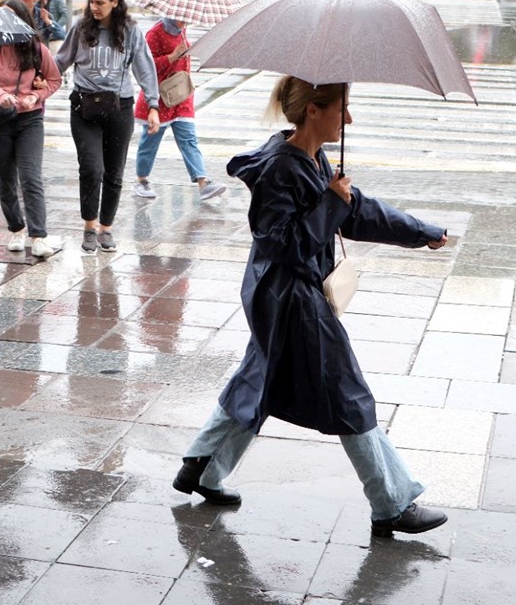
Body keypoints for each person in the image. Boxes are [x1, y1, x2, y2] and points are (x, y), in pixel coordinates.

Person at [173, 77, 451, 538]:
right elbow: (282, 244)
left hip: (284, 294)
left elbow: (359, 212)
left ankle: (202, 467)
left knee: (259, 378)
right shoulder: (281, 169)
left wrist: (420, 231)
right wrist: (330, 202)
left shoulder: (314, 160)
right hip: (289, 297)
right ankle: (392, 503)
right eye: (343, 108)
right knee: (349, 395)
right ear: (314, 112)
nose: (349, 118)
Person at [55, 0, 160, 254]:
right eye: (91, 2)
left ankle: (106, 228)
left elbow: (145, 68)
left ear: (115, 2)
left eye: (100, 2)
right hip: (84, 107)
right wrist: (42, 79)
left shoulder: (130, 31)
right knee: (91, 168)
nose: (95, 7)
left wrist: (153, 105)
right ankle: (89, 227)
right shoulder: (80, 27)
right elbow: (61, 61)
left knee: (114, 171)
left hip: (119, 107)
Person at [0, 0, 64, 259]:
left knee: (30, 177)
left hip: (29, 120)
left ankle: (38, 236)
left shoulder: (35, 47)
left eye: (11, 15)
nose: (5, 20)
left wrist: (37, 96)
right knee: (4, 179)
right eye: (0, 15)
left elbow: (55, 79)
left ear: (22, 19)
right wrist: (0, 96)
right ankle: (16, 228)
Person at [131, 17, 227, 203]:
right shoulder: (155, 33)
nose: (186, 20)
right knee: (150, 142)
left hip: (181, 95)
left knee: (188, 139)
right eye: (183, 18)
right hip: (159, 97)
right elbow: (146, 66)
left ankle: (203, 182)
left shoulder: (182, 30)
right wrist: (172, 56)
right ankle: (141, 180)